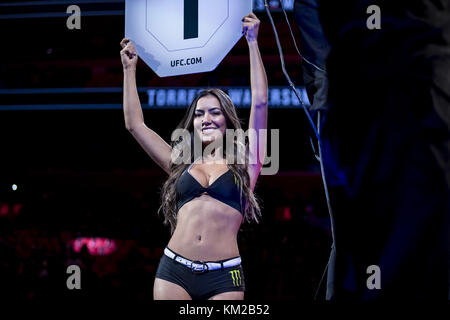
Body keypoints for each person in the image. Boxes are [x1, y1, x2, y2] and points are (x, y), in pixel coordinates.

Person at [119, 12, 268, 300]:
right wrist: (129, 70)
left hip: (226, 275)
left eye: (214, 112)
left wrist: (252, 43)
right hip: (174, 270)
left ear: (227, 120)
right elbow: (135, 125)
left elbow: (260, 102)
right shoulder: (180, 163)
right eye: (199, 113)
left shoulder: (247, 163)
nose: (206, 119)